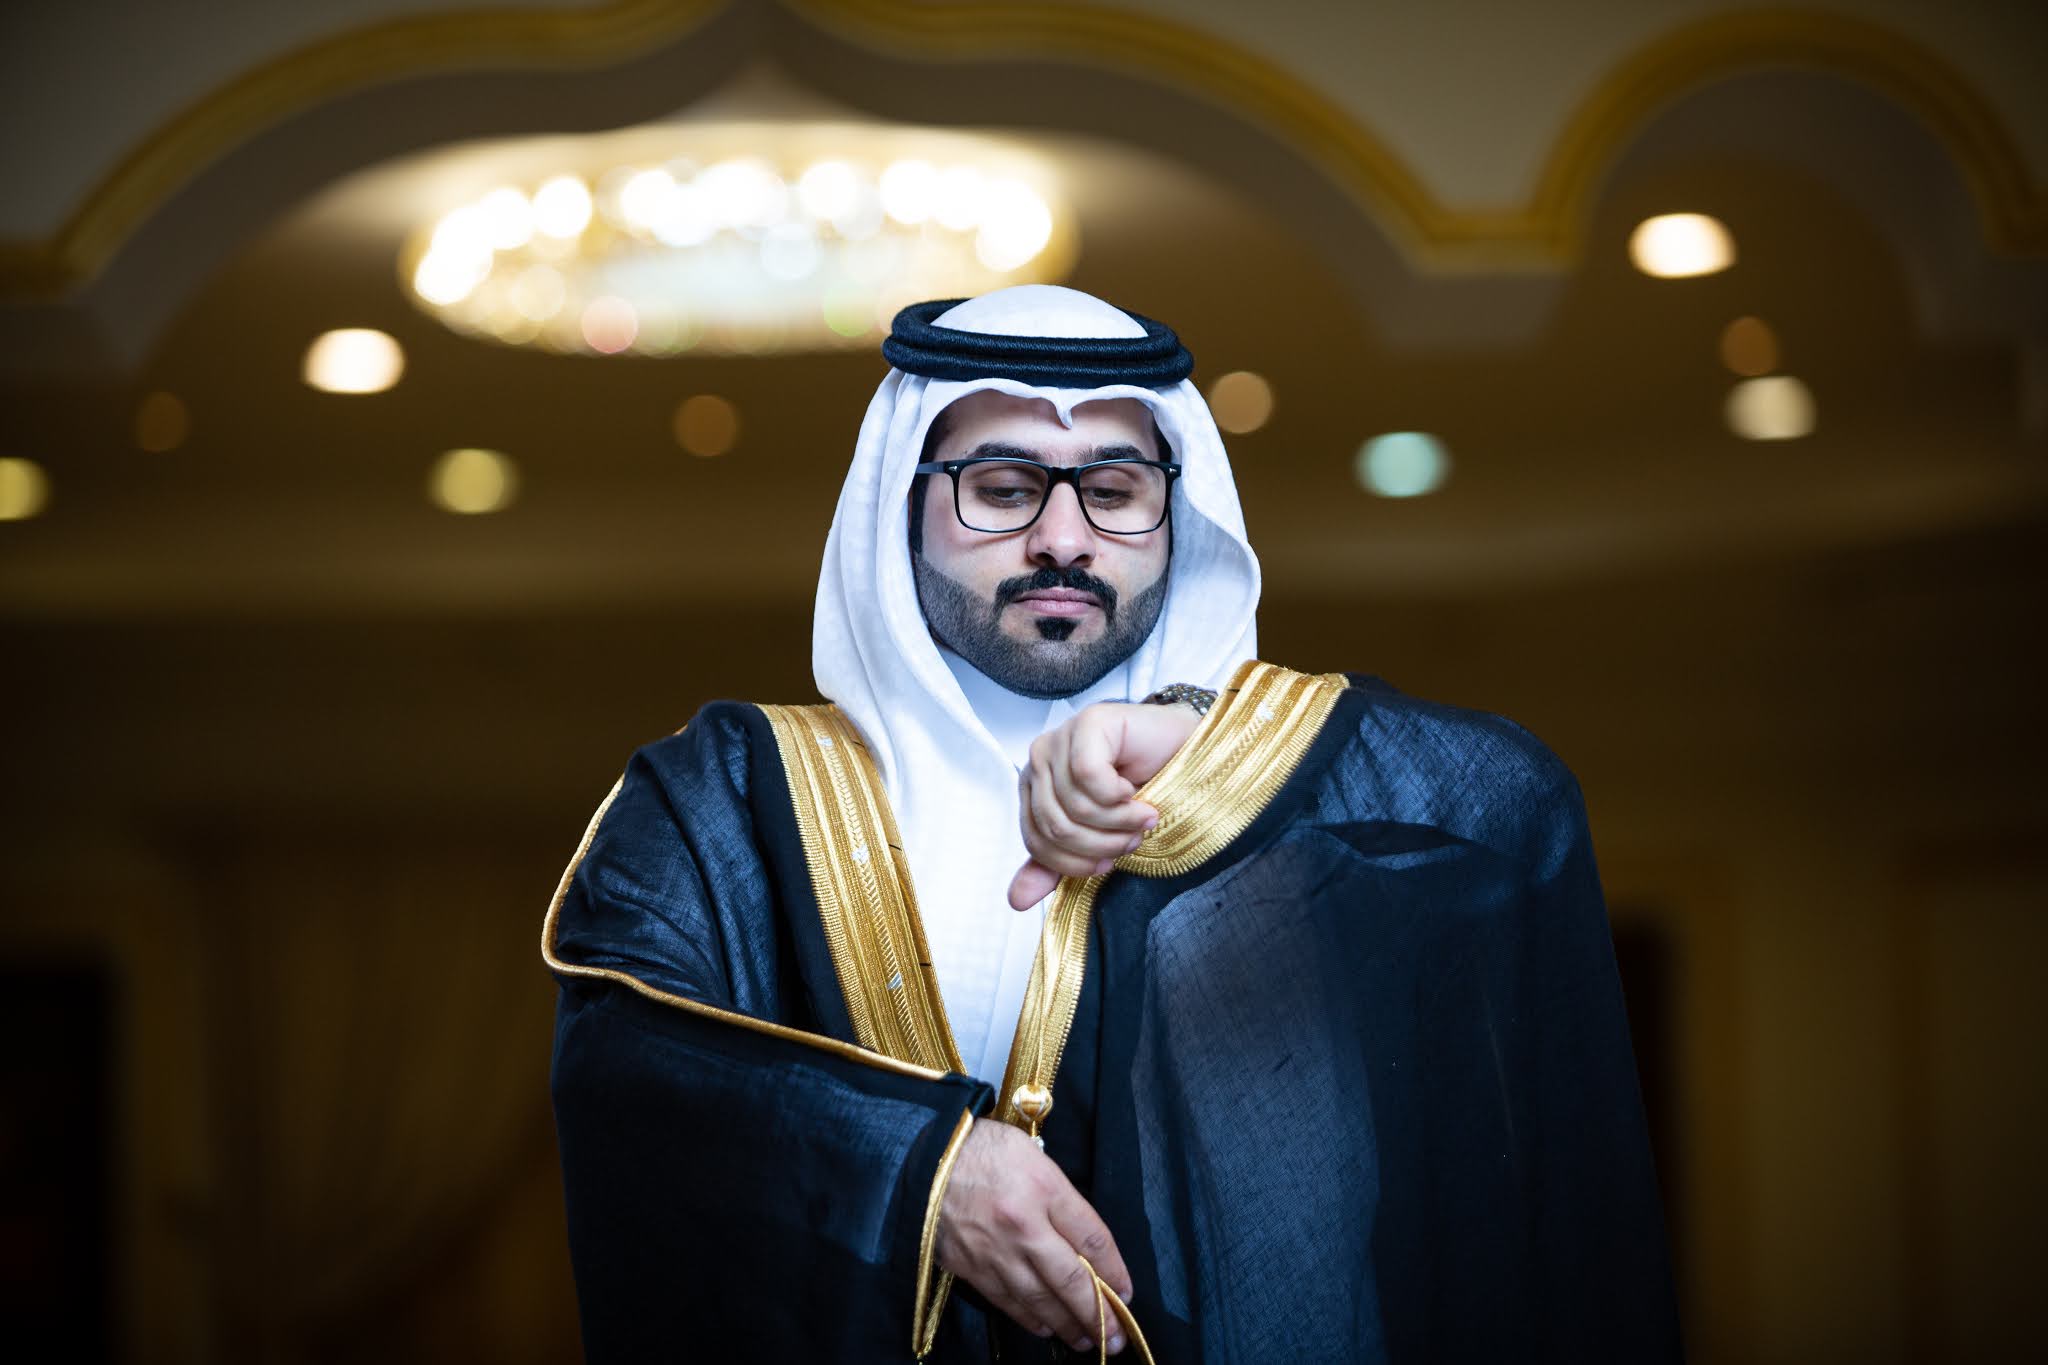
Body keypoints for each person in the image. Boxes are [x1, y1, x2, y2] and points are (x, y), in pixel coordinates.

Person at [544, 285, 1682, 1362]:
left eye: (1115, 489)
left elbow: (1514, 808)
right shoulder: (730, 793)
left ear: (1171, 513)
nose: (1064, 538)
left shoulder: (1281, 792)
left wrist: (1204, 740)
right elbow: (625, 1064)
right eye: (1003, 488)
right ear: (902, 505)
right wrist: (924, 1170)